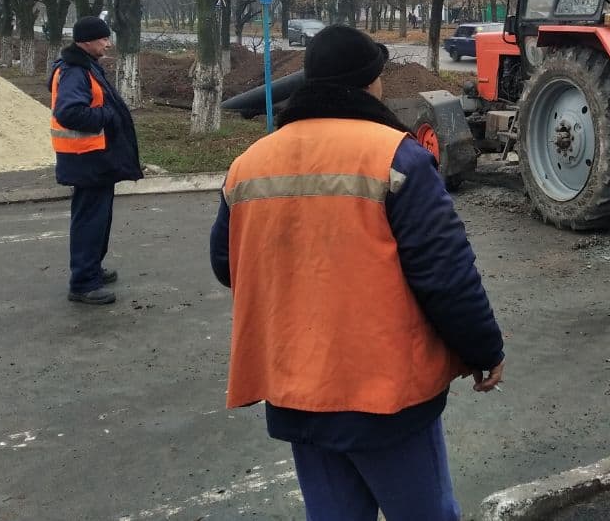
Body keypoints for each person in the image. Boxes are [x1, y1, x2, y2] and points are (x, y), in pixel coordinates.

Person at [209, 25, 504, 521]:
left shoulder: (249, 164)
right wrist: (485, 349)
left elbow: (226, 264)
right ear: (371, 84)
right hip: (383, 394)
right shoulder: (396, 157)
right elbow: (446, 276)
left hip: (296, 386)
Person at [49, 15, 142, 305]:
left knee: (98, 218)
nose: (108, 42)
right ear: (87, 41)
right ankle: (83, 283)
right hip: (86, 158)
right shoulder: (75, 71)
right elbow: (70, 112)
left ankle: (92, 269)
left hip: (95, 158)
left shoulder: (85, 65)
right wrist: (107, 116)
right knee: (90, 220)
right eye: (103, 38)